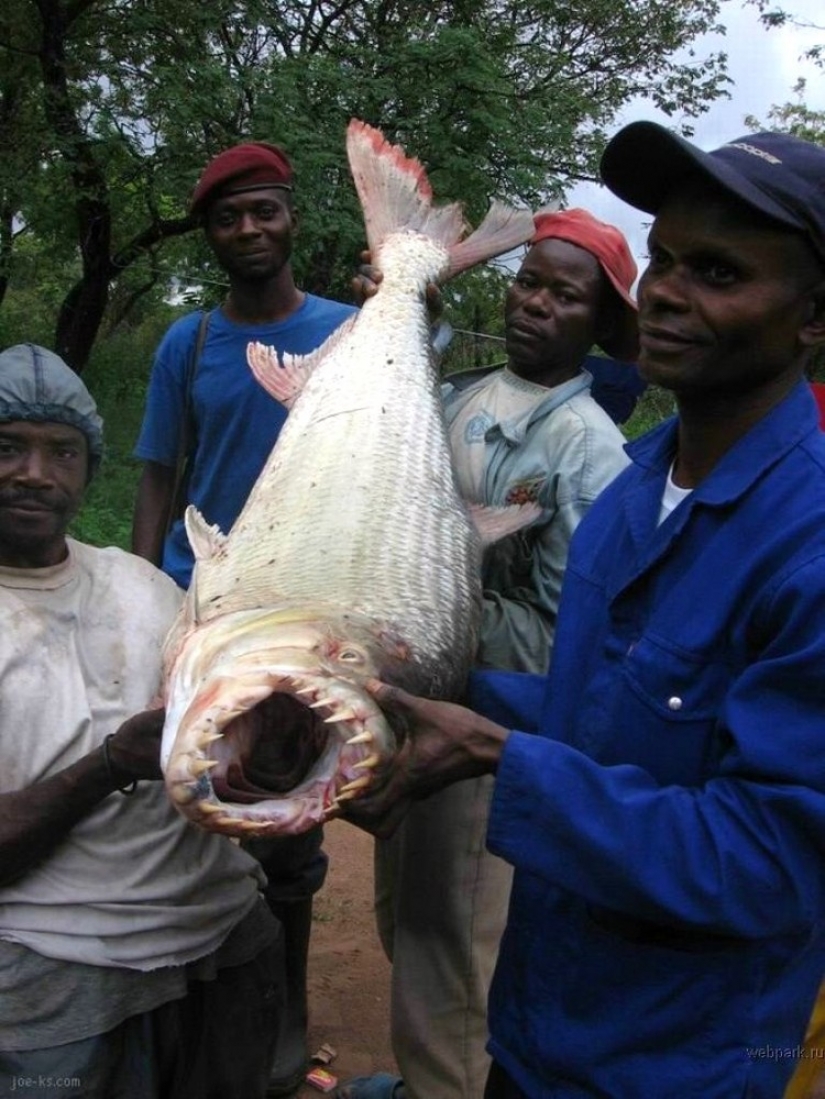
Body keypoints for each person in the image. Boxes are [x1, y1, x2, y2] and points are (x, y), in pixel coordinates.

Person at [342, 123, 825, 1099]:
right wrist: (419, 688)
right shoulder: (631, 496)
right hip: (537, 1020)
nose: (668, 294)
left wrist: (496, 759)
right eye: (666, 260)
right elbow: (601, 715)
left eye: (722, 273)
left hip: (678, 1062)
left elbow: (769, 859)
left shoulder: (807, 541)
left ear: (814, 319)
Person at [350, 211, 639, 1099]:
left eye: (565, 295)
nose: (536, 305)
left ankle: (450, 1083)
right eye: (528, 282)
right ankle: (418, 1074)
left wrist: (430, 603)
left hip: (480, 731)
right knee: (408, 913)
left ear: (598, 324)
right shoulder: (462, 395)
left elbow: (565, 640)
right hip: (416, 697)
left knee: (458, 942)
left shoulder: (588, 449)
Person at [132, 141, 357, 1098]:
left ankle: (285, 1020)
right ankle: (183, 1013)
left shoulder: (350, 333)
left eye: (263, 211)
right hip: (204, 607)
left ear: (290, 216)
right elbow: (157, 475)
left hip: (298, 616)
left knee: (285, 823)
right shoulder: (187, 346)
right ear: (211, 235)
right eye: (229, 218)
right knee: (184, 806)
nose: (249, 230)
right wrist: (143, 594)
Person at [0, 343, 283, 1099]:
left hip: (224, 940)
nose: (35, 471)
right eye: (9, 447)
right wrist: (112, 763)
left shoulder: (144, 584)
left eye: (61, 451)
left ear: (88, 470)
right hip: (58, 971)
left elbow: (235, 766)